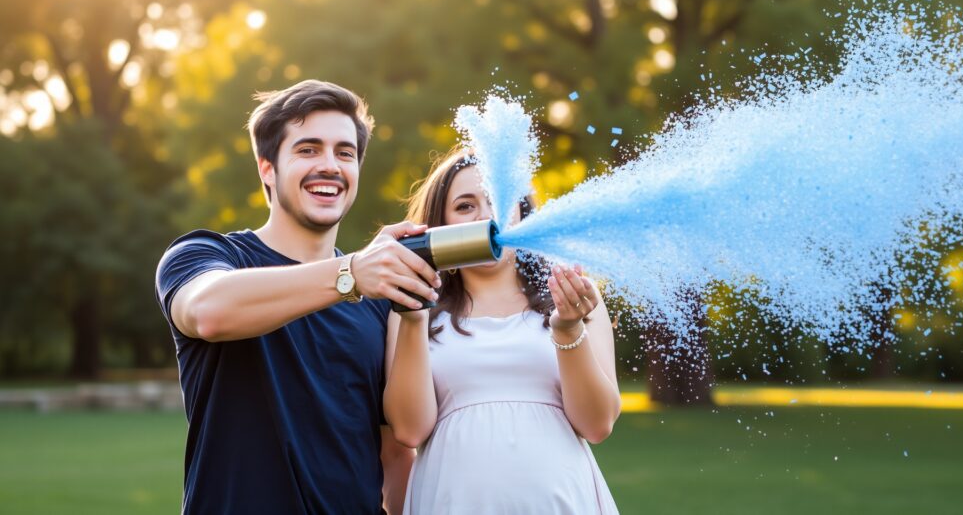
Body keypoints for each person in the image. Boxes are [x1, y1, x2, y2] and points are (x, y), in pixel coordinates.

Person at [155, 80, 441, 514]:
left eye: (345, 153)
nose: (329, 165)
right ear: (266, 168)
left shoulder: (381, 298)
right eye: (308, 150)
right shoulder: (208, 255)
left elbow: (397, 452)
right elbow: (208, 312)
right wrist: (350, 275)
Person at [383, 148, 622, 514]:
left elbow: (598, 425)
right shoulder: (411, 310)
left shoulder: (573, 298)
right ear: (440, 224)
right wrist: (415, 315)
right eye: (465, 206)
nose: (486, 217)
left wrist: (567, 329)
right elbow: (409, 431)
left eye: (499, 201)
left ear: (522, 213)